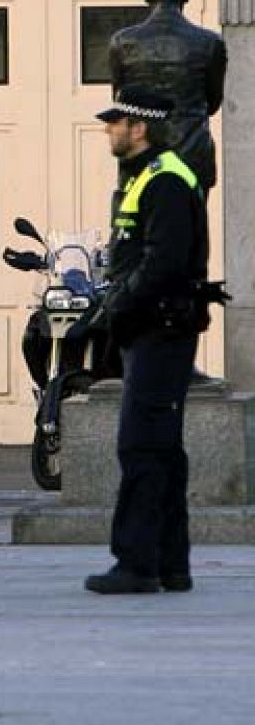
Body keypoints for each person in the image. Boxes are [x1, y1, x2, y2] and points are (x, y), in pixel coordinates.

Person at [86, 88, 215, 595]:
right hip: (153, 331)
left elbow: (161, 264)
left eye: (114, 122)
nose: (108, 130)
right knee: (161, 449)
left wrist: (113, 307)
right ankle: (169, 564)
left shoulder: (164, 181)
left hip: (162, 329)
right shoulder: (147, 178)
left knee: (141, 446)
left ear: (138, 128)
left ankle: (137, 564)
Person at [108, 0, 227, 197]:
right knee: (191, 227)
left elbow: (121, 98)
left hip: (141, 150)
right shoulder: (209, 43)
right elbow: (213, 101)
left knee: (137, 224)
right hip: (191, 151)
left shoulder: (123, 42)